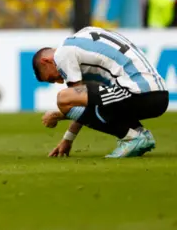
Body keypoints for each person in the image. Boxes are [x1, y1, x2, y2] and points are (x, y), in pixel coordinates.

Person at [31, 26, 168, 158]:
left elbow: (74, 103)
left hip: (138, 91)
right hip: (159, 94)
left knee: (63, 98)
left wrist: (58, 115)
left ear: (45, 61)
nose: (60, 81)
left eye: (52, 78)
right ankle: (140, 133)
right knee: (100, 101)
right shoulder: (84, 38)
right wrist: (67, 139)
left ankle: (133, 138)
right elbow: (89, 102)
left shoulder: (62, 54)